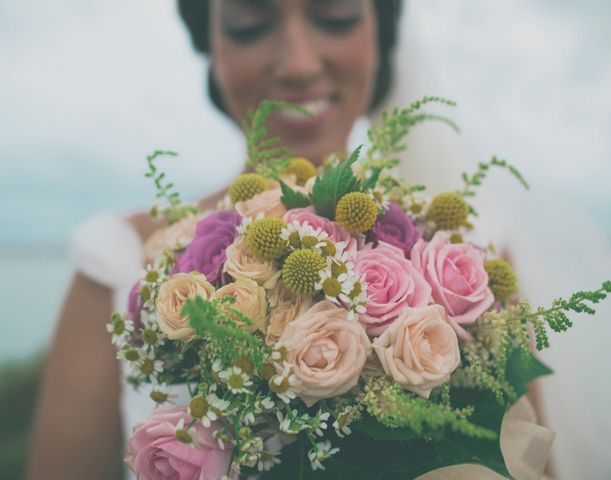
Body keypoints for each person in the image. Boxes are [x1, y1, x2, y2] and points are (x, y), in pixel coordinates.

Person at [26, 1, 403, 479]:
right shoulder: (118, 260)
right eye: (250, 26)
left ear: (382, 33)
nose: (299, 64)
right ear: (211, 45)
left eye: (335, 18)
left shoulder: (464, 258)